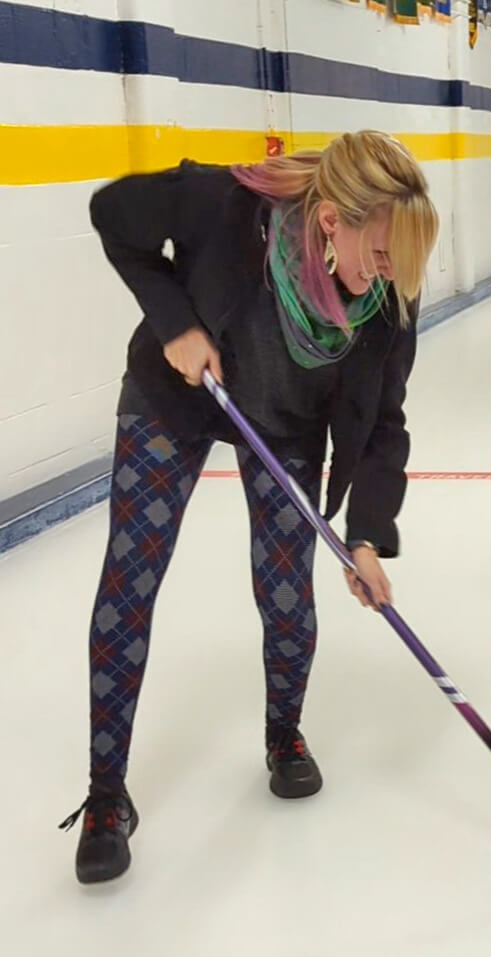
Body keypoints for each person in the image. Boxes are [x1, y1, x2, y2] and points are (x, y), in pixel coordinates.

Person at [58, 131, 439, 884]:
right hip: (182, 393)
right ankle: (107, 795)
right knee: (131, 582)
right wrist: (177, 324)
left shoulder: (392, 297)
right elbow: (112, 214)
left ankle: (284, 735)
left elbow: (383, 422)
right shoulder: (223, 204)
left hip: (285, 424)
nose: (393, 275)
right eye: (384, 254)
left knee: (285, 589)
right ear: (332, 222)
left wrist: (366, 538)